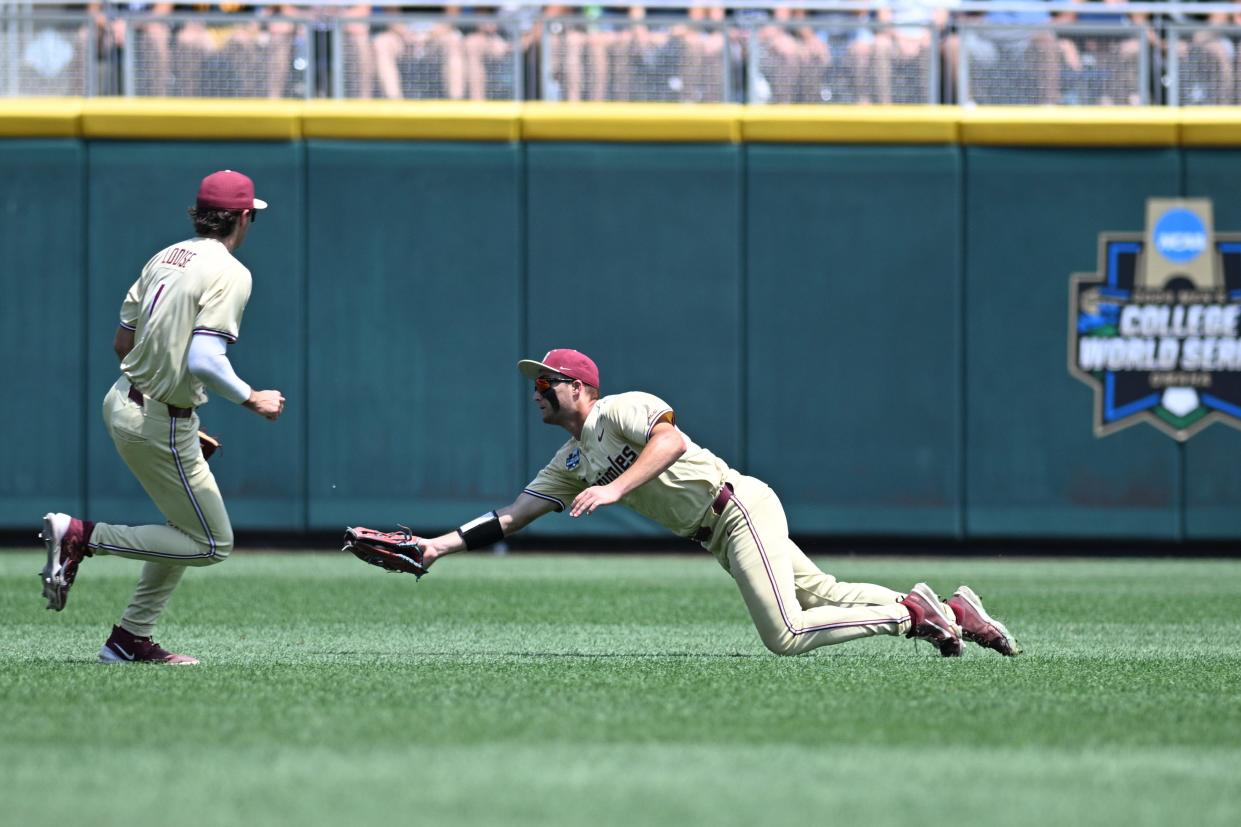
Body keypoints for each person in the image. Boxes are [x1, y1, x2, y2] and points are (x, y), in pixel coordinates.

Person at [351, 349, 1020, 659]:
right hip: (717, 530)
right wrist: (435, 546)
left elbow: (669, 439)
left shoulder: (618, 408)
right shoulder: (568, 462)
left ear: (580, 389)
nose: (537, 392)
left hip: (735, 505)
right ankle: (949, 607)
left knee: (785, 635)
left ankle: (911, 615)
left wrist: (614, 487)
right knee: (819, 592)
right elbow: (510, 516)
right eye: (536, 384)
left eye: (547, 382)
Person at [39, 169, 286, 666]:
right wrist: (251, 397)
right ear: (241, 217)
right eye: (250, 217)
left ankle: (129, 639)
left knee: (182, 526)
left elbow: (122, 342)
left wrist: (173, 404)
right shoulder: (232, 272)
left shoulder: (164, 256)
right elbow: (204, 360)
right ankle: (82, 536)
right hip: (159, 419)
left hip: (127, 402)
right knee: (213, 543)